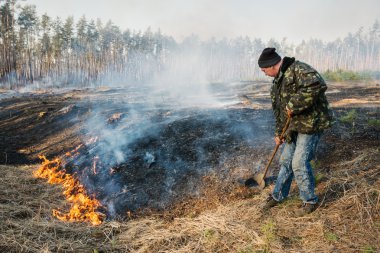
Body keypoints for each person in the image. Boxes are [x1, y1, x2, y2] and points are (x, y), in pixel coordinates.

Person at [258, 47, 333, 216]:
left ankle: (309, 200)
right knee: (286, 160)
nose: (264, 73)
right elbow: (279, 112)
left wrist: (294, 104)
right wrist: (279, 133)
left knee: (298, 163)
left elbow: (318, 85)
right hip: (294, 127)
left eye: (264, 70)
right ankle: (278, 195)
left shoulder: (298, 69)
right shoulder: (276, 83)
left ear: (271, 65)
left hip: (310, 124)